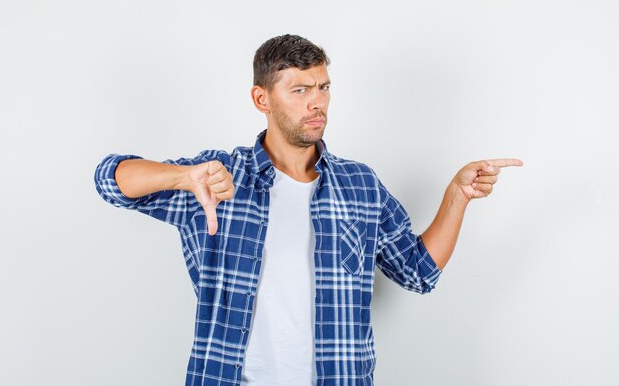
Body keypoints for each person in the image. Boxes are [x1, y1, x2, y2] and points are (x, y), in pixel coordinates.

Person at [94, 34, 523, 386]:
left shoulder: (359, 185)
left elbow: (418, 271)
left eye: (323, 87)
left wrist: (456, 197)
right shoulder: (218, 176)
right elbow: (109, 179)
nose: (316, 103)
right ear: (262, 98)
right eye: (299, 90)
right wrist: (181, 177)